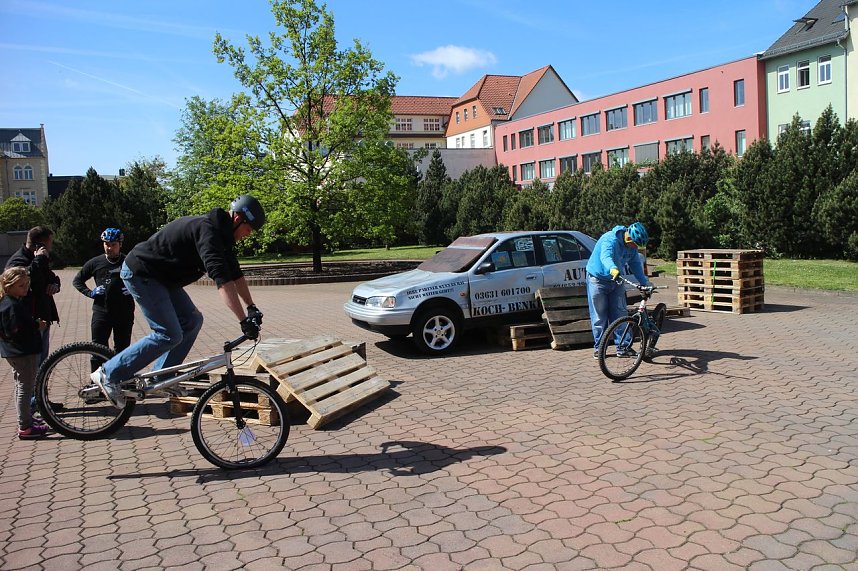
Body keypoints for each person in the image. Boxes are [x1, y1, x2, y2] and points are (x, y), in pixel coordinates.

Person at [90, 195, 266, 408]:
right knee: (168, 333)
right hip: (142, 272)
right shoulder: (208, 233)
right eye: (248, 229)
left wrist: (251, 307)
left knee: (192, 320)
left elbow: (236, 275)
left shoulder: (222, 238)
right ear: (238, 218)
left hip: (163, 278)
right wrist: (242, 320)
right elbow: (222, 281)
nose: (248, 235)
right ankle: (108, 373)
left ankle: (160, 377)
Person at [73, 228, 136, 369]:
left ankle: (122, 382)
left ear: (120, 244)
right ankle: (96, 384)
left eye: (113, 244)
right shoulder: (95, 263)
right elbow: (77, 281)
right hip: (102, 311)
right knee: (97, 349)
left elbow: (144, 278)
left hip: (124, 312)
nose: (109, 247)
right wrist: (90, 292)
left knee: (123, 349)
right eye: (106, 244)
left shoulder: (129, 261)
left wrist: (132, 289)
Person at [585, 222, 650, 359]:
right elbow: (605, 257)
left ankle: (623, 347)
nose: (635, 248)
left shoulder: (632, 248)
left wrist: (644, 282)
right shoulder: (610, 240)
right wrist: (612, 268)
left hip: (616, 280)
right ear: (628, 238)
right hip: (597, 280)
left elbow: (635, 264)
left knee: (620, 313)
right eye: (635, 244)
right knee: (599, 316)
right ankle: (599, 348)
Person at [0, 267, 51, 439]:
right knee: (25, 388)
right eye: (21, 286)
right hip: (22, 352)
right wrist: (36, 326)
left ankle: (26, 419)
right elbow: (15, 330)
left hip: (15, 352)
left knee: (21, 386)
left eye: (26, 285)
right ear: (9, 285)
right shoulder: (11, 305)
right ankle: (25, 426)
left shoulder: (11, 301)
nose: (25, 289)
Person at [5, 226, 61, 365]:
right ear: (40, 245)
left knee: (42, 363)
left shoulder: (39, 258)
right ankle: (35, 387)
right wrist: (39, 260)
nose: (51, 247)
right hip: (29, 320)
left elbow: (51, 276)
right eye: (49, 243)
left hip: (43, 317)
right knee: (31, 367)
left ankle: (41, 386)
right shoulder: (17, 260)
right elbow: (23, 279)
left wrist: (55, 285)